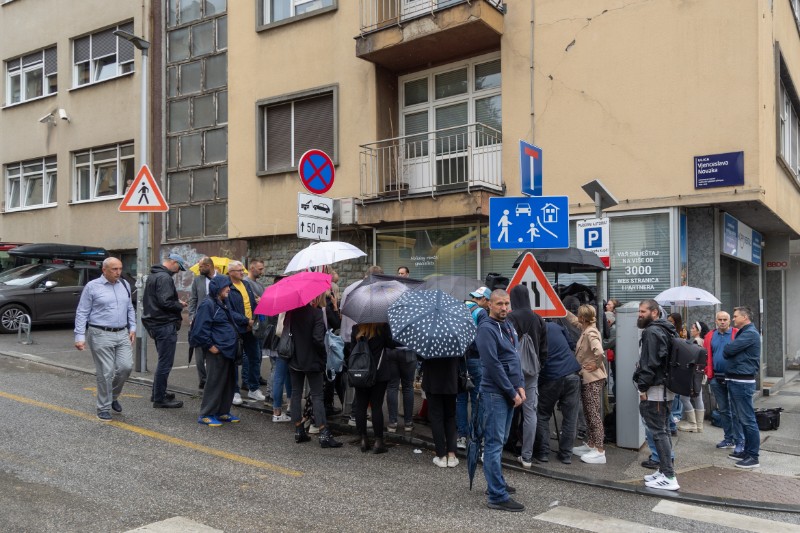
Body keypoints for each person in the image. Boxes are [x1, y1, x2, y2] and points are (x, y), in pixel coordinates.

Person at [475, 289, 525, 512]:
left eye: (506, 303)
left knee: (501, 440)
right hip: (495, 393)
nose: (504, 308)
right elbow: (493, 364)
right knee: (494, 443)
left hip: (509, 391)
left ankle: (495, 483)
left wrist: (520, 385)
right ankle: (496, 495)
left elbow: (515, 357)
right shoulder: (486, 329)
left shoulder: (508, 326)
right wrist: (511, 391)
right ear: (489, 305)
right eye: (499, 304)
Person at [74, 257, 136, 420]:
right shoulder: (92, 287)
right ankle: (103, 407)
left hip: (122, 333)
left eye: (120, 269)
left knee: (125, 367)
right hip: (100, 333)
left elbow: (130, 307)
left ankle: (113, 396)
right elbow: (82, 312)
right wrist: (79, 336)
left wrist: (133, 327)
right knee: (106, 372)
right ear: (104, 270)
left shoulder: (124, 284)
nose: (118, 272)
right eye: (114, 269)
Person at [190, 275, 248, 427]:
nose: (229, 289)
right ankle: (206, 414)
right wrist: (211, 346)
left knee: (228, 383)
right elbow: (199, 330)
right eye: (226, 286)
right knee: (214, 382)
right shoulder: (207, 304)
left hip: (229, 351)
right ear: (217, 288)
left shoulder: (223, 303)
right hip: (218, 350)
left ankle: (222, 412)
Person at [635, 299, 680, 491]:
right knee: (664, 430)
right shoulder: (668, 329)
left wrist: (642, 388)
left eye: (643, 311)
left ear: (654, 313)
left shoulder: (652, 331)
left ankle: (669, 476)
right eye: (639, 311)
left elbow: (650, 363)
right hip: (666, 389)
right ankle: (663, 470)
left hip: (655, 390)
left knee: (659, 432)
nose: (640, 314)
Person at [287, 294, 342, 448]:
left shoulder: (292, 313)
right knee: (317, 395)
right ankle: (324, 433)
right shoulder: (316, 314)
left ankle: (299, 429)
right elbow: (318, 339)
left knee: (296, 394)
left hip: (294, 359)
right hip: (313, 361)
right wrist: (324, 356)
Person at [508, 285, 547, 468]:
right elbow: (544, 348)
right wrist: (538, 366)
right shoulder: (538, 319)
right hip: (532, 372)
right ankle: (527, 457)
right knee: (530, 413)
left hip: (512, 371)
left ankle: (503, 446)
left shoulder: (509, 317)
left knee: (507, 408)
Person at [142, 253, 188, 409]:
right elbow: (166, 302)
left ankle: (157, 393)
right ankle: (160, 398)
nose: (178, 271)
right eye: (179, 268)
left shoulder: (154, 275)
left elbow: (159, 300)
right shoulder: (164, 278)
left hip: (155, 323)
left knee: (163, 360)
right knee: (165, 362)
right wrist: (179, 305)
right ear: (174, 262)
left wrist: (174, 302)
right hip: (164, 323)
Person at [533, 320, 581, 464]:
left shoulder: (533, 331)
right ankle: (566, 454)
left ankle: (543, 452)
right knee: (570, 417)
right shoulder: (556, 326)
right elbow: (572, 344)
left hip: (550, 376)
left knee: (542, 415)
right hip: (571, 372)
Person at [722, 306, 761, 469]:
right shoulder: (744, 332)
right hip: (736, 379)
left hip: (742, 382)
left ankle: (753, 456)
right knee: (742, 418)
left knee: (748, 419)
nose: (733, 319)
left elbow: (728, 350)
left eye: (735, 316)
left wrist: (729, 349)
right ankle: (746, 451)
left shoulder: (750, 333)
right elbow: (730, 351)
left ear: (745, 317)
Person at [568, 305, 607, 464]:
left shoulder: (590, 333)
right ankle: (591, 444)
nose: (577, 317)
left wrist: (597, 364)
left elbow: (599, 352)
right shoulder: (586, 327)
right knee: (589, 412)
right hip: (589, 377)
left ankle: (599, 450)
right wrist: (562, 311)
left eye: (578, 315)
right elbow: (573, 321)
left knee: (593, 414)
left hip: (593, 378)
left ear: (583, 317)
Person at [351, 321, 397, 453]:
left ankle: (363, 439)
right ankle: (378, 442)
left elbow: (352, 350)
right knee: (376, 406)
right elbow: (391, 344)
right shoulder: (382, 328)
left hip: (361, 373)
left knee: (361, 406)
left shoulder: (356, 329)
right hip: (379, 373)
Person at [456, 286, 491, 449]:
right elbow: (483, 337)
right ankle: (474, 436)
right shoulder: (482, 313)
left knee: (461, 398)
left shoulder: (462, 308)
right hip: (475, 359)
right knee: (477, 398)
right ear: (486, 300)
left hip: (460, 359)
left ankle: (461, 436)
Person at [704, 311, 742, 453]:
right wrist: (709, 373)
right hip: (716, 378)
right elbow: (707, 354)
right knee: (724, 410)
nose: (722, 322)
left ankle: (740, 441)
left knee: (736, 411)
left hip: (734, 378)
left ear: (729, 321)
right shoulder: (710, 336)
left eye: (725, 319)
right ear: (715, 321)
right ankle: (728, 439)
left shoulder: (737, 334)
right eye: (719, 319)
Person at [227, 260, 264, 404]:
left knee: (255, 357)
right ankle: (234, 391)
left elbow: (252, 304)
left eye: (242, 270)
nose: (242, 272)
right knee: (235, 360)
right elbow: (229, 311)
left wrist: (254, 319)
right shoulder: (227, 287)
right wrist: (245, 321)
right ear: (231, 273)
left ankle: (253, 388)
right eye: (239, 270)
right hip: (236, 328)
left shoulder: (246, 284)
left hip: (250, 326)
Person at [423, 356, 460, 468]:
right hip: (451, 380)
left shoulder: (429, 338)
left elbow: (420, 356)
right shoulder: (454, 338)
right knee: (450, 417)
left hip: (432, 380)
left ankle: (441, 455)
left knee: (436, 417)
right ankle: (452, 455)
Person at [189, 256, 217, 390]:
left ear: (209, 266)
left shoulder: (221, 279)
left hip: (216, 320)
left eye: (201, 267)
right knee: (199, 351)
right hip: (199, 320)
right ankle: (203, 379)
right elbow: (193, 299)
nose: (199, 269)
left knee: (214, 349)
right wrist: (191, 317)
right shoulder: (197, 280)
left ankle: (213, 378)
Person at [677, 320, 711, 433]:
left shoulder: (696, 341)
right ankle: (699, 425)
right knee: (698, 397)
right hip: (699, 373)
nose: (691, 330)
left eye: (692, 328)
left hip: (692, 373)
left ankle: (693, 424)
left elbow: (691, 357)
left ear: (698, 330)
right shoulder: (702, 341)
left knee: (684, 398)